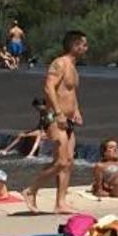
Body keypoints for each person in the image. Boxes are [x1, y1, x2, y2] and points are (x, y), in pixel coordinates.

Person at [23, 30, 88, 214]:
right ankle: (31, 190)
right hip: (55, 118)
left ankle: (60, 202)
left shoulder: (74, 68)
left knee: (68, 162)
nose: (86, 48)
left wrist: (76, 111)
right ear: (74, 45)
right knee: (60, 162)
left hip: (68, 120)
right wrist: (58, 113)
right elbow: (48, 87)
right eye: (83, 44)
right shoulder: (60, 63)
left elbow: (70, 92)